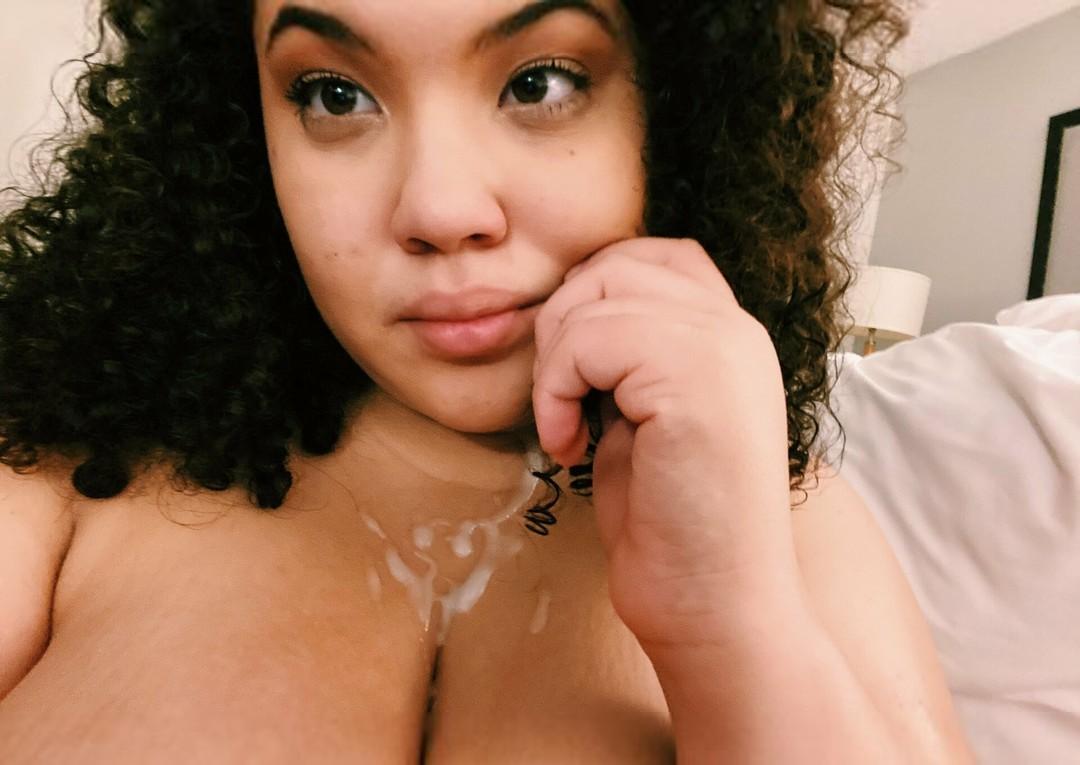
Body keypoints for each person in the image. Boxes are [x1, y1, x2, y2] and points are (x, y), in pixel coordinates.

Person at [0, 0, 974, 761]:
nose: (439, 207)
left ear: (680, 108)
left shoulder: (783, 518)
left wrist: (732, 626)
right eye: (333, 95)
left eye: (539, 82)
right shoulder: (61, 476)